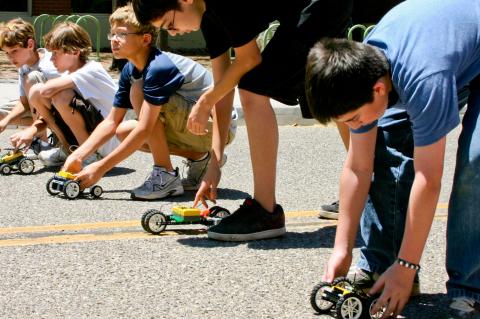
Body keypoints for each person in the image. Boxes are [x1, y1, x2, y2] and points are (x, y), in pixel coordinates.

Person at [305, 0, 480, 317]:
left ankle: (470, 288)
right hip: (443, 47)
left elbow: (429, 180)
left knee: (476, 162)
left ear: (378, 89)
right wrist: (341, 248)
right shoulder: (362, 67)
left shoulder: (425, 78)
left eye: (354, 118)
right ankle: (381, 264)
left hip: (455, 53)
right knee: (387, 145)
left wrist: (408, 264)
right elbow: (359, 167)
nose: (354, 126)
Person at [132, 0, 353, 241]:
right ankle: (370, 191)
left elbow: (249, 59)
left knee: (254, 88)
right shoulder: (208, 14)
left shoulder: (225, 4)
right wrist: (214, 163)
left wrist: (205, 101)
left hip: (319, 5)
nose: (173, 33)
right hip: (313, 9)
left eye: (170, 24)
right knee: (336, 96)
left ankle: (265, 211)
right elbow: (223, 86)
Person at [63, 5, 236, 201]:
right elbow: (112, 121)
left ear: (145, 39)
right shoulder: (130, 69)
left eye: (121, 34)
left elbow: (146, 128)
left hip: (217, 127)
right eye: (111, 34)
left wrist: (100, 168)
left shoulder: (159, 67)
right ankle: (200, 160)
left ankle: (165, 175)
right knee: (124, 131)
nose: (113, 40)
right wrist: (78, 156)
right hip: (193, 128)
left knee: (138, 93)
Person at [26, 22, 119, 167]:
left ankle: (88, 155)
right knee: (35, 92)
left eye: (55, 53)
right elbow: (40, 92)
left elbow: (47, 90)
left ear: (75, 52)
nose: (51, 59)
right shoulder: (71, 73)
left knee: (61, 96)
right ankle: (69, 149)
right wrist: (32, 130)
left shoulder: (91, 69)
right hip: (95, 131)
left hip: (108, 140)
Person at [0, 18, 59, 155]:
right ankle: (38, 136)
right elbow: (24, 103)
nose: (10, 58)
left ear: (30, 44)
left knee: (32, 78)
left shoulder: (51, 64)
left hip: (59, 112)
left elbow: (61, 103)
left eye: (14, 51)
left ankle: (41, 141)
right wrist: (6, 121)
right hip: (38, 112)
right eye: (7, 53)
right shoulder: (24, 65)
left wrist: (31, 130)